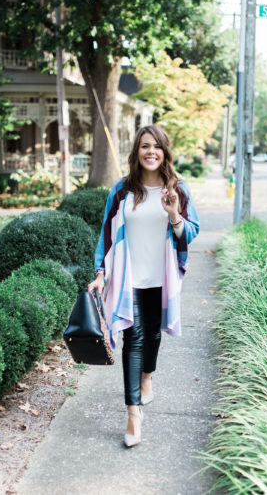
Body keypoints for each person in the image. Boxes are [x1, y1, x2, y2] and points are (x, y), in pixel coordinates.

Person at [87, 125, 200, 448]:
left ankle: (147, 376)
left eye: (157, 147)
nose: (151, 152)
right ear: (137, 152)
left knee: (152, 334)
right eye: (144, 146)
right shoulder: (122, 190)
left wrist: (174, 214)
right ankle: (133, 413)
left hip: (161, 278)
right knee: (133, 337)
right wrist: (100, 273)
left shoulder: (179, 189)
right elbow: (107, 234)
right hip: (127, 279)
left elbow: (190, 235)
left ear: (165, 152)